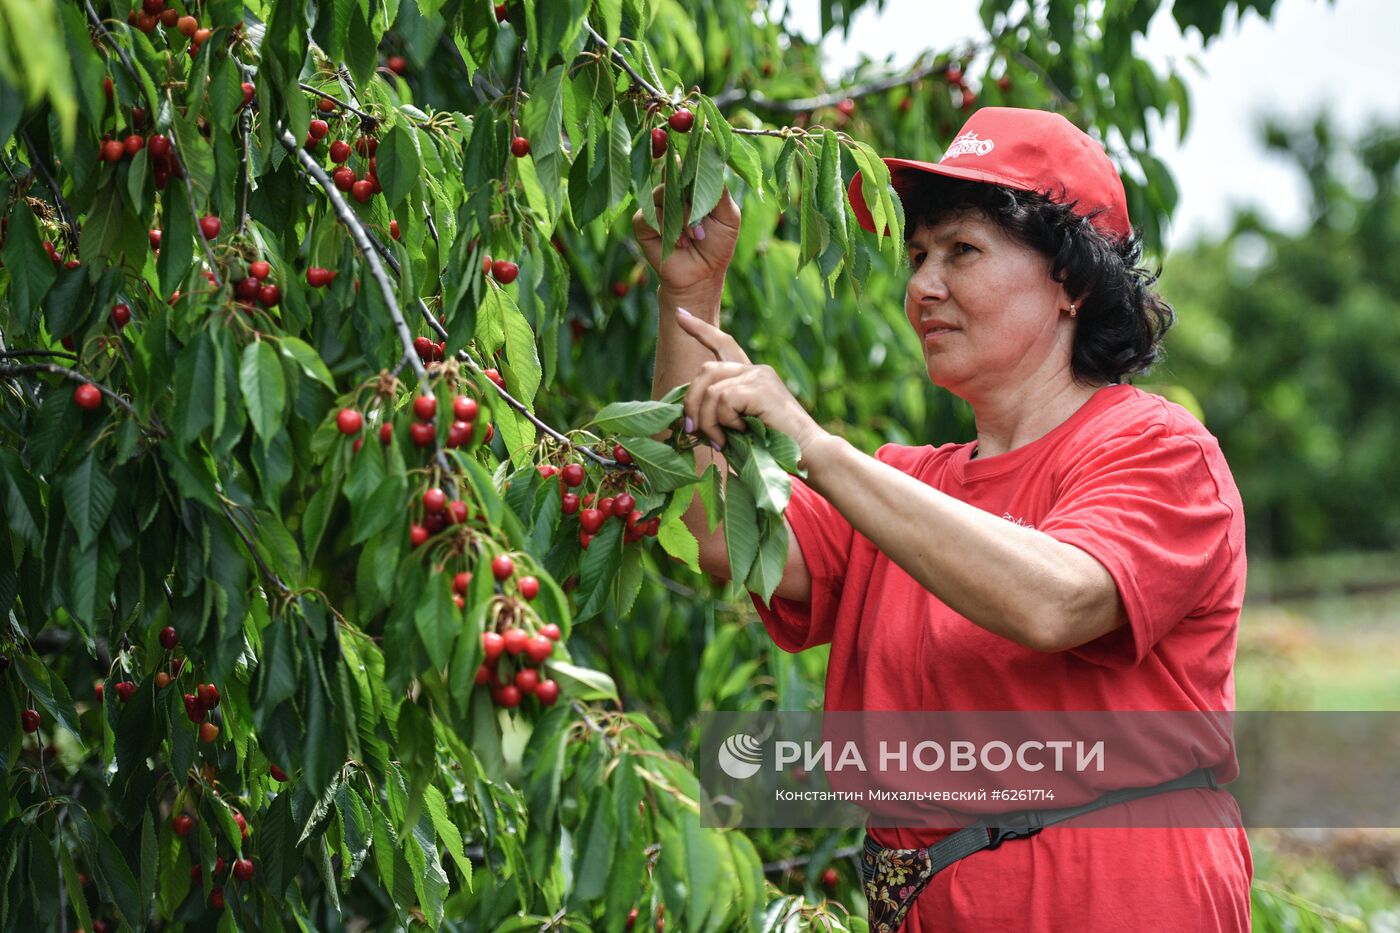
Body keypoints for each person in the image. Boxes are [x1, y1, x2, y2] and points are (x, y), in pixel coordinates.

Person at [635, 106, 1251, 931]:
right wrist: (691, 289)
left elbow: (1058, 600)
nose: (923, 284)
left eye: (962, 251)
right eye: (918, 255)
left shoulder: (1159, 448)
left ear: (1071, 280)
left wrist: (816, 445)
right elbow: (710, 529)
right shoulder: (905, 487)